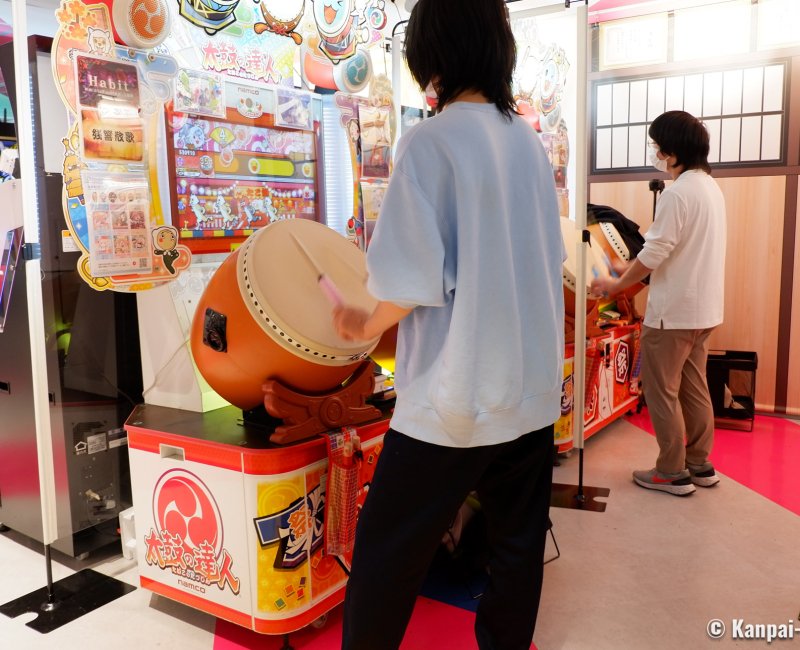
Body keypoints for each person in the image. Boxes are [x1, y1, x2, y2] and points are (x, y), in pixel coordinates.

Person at [330, 1, 564, 648]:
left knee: (385, 552)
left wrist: (360, 322)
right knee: (515, 552)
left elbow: (407, 282)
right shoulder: (528, 143)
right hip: (530, 392)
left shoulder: (430, 143)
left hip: (454, 401)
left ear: (430, 54)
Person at [590, 110, 726, 497]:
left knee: (660, 390)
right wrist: (626, 269)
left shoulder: (679, 192)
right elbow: (666, 249)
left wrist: (616, 283)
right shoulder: (709, 188)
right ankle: (699, 463)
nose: (656, 153)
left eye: (657, 146)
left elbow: (653, 255)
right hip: (705, 310)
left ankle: (670, 470)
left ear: (672, 151)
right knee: (694, 386)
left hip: (673, 313)